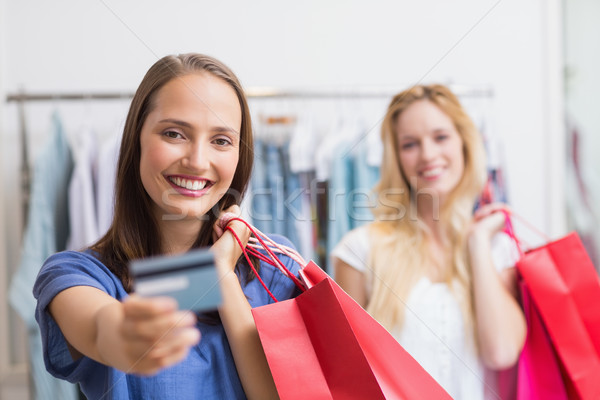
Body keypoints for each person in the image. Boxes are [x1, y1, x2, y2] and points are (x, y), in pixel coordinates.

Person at [33, 53, 301, 400]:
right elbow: (101, 329)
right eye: (174, 134)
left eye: (221, 140)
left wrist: (220, 273)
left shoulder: (273, 265)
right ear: (137, 139)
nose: (197, 161)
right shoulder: (78, 274)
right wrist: (119, 332)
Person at [331, 84, 526, 399]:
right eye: (410, 144)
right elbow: (346, 378)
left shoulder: (496, 249)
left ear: (464, 143)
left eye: (441, 137)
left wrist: (476, 244)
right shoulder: (359, 251)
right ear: (396, 157)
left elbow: (501, 352)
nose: (428, 155)